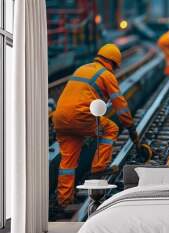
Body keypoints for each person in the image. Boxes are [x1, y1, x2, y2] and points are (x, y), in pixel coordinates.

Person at [52, 43, 139, 207]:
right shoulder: (106, 75)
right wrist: (131, 127)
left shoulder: (82, 69)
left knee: (67, 163)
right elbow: (120, 106)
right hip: (81, 116)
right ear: (113, 62)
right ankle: (99, 168)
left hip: (60, 117)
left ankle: (64, 200)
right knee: (110, 128)